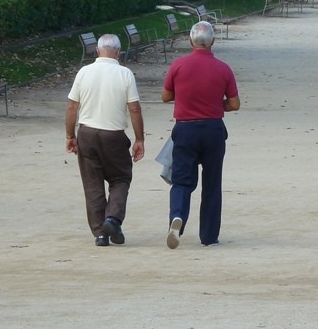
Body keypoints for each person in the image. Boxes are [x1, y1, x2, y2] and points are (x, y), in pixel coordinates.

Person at [161, 21, 240, 249]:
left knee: (181, 180)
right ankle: (208, 235)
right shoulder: (223, 68)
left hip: (185, 129)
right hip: (213, 129)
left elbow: (166, 96)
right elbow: (234, 104)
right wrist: (216, 104)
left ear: (190, 41)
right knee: (212, 182)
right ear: (213, 42)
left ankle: (177, 216)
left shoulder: (178, 65)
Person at [65, 33, 145, 247]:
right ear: (118, 52)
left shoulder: (84, 72)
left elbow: (72, 106)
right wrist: (139, 139)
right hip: (114, 135)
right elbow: (134, 108)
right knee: (120, 178)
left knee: (93, 184)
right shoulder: (125, 74)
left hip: (87, 133)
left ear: (97, 51)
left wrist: (70, 135)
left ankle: (100, 233)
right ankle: (113, 219)